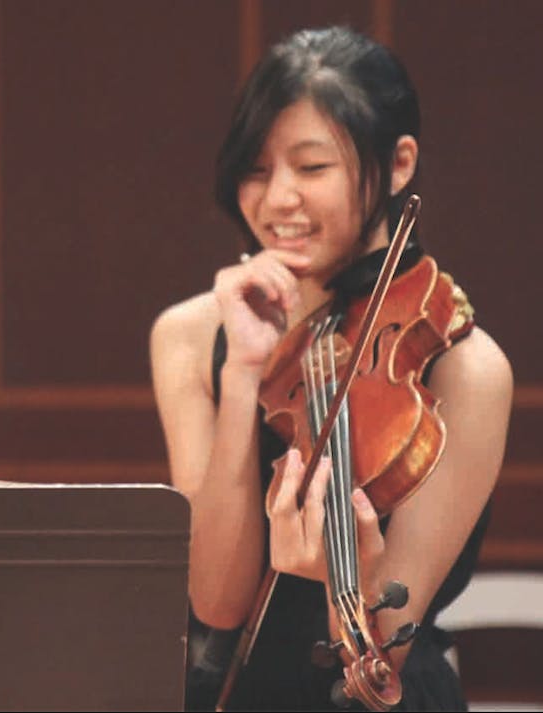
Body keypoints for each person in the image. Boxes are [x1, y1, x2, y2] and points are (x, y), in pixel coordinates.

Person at [150, 26, 512, 710]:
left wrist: (339, 578)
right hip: (236, 691)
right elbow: (218, 602)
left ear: (399, 163)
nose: (277, 198)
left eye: (311, 168)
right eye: (257, 169)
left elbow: (385, 648)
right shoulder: (191, 333)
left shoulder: (464, 368)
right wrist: (242, 377)